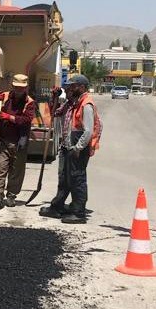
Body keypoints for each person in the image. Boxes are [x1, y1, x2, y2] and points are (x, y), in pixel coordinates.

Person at [39, 74, 99, 224]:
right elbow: (55, 114)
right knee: (64, 179)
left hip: (77, 147)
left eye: (73, 86)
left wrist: (78, 148)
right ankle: (57, 207)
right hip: (67, 146)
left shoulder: (86, 105)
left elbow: (88, 131)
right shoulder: (72, 103)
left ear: (82, 87)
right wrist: (54, 97)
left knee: (77, 179)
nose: (69, 89)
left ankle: (78, 213)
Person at [0, 73, 35, 211]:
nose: (19, 90)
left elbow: (26, 120)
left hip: (20, 141)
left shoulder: (30, 102)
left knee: (16, 171)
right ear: (13, 86)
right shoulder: (4, 97)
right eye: (16, 87)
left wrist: (9, 117)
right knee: (0, 168)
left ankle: (11, 195)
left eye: (21, 88)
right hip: (4, 139)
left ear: (26, 88)